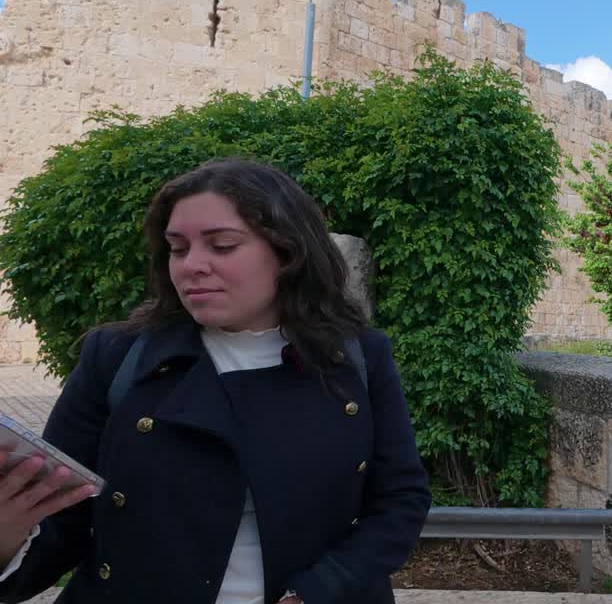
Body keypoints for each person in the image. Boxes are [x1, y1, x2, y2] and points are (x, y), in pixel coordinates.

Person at [0, 158, 430, 604]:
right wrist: (6, 537)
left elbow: (400, 499)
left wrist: (320, 590)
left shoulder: (358, 357)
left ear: (288, 252)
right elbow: (61, 526)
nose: (192, 266)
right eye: (178, 248)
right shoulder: (116, 358)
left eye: (222, 245)